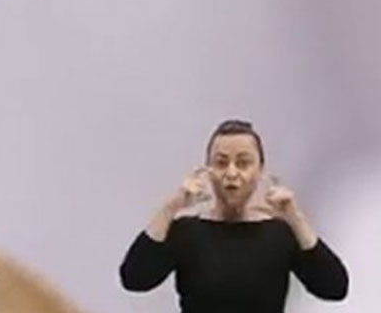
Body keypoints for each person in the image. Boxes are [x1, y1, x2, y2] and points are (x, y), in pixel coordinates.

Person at [119, 119, 349, 312]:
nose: (231, 173)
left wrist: (295, 217)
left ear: (260, 170)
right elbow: (134, 278)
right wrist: (172, 205)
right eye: (221, 163)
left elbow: (334, 287)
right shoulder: (186, 232)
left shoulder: (280, 234)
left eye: (243, 163)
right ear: (208, 170)